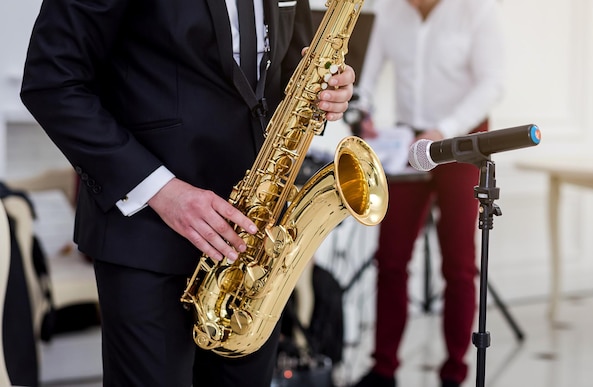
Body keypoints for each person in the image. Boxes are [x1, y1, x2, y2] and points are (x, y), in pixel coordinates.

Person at [20, 0, 355, 386]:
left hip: (252, 246)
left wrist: (327, 90)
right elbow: (51, 80)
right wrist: (163, 191)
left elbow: (281, 78)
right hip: (147, 235)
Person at [351, 0, 505, 386]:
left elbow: (492, 83)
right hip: (409, 146)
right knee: (390, 258)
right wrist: (362, 112)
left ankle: (454, 371)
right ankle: (383, 368)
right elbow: (365, 81)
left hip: (463, 142)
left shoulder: (477, 10)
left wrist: (444, 129)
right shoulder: (388, 11)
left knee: (458, 264)